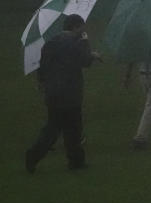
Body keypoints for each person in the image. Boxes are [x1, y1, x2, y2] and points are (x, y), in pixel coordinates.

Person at [25, 14, 100, 173]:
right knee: (73, 128)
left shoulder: (51, 42)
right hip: (70, 92)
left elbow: (42, 65)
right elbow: (84, 61)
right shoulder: (75, 43)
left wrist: (42, 83)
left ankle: (34, 156)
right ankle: (75, 161)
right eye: (82, 28)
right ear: (75, 27)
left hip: (53, 92)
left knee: (53, 128)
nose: (83, 31)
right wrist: (88, 45)